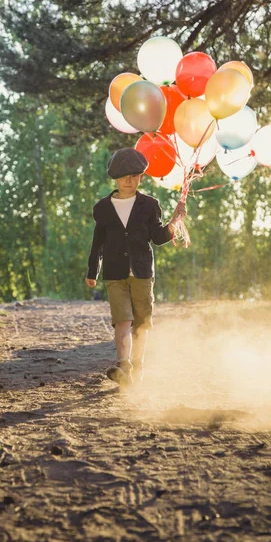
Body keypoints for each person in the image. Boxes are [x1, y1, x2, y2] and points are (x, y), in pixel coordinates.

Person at [85, 148, 186, 386]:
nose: (128, 180)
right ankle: (124, 366)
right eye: (123, 176)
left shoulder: (150, 205)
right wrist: (93, 271)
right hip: (114, 272)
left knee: (141, 323)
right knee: (122, 320)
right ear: (115, 178)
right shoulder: (102, 208)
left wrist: (174, 222)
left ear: (141, 176)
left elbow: (159, 238)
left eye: (134, 175)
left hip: (142, 272)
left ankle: (137, 368)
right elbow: (98, 242)